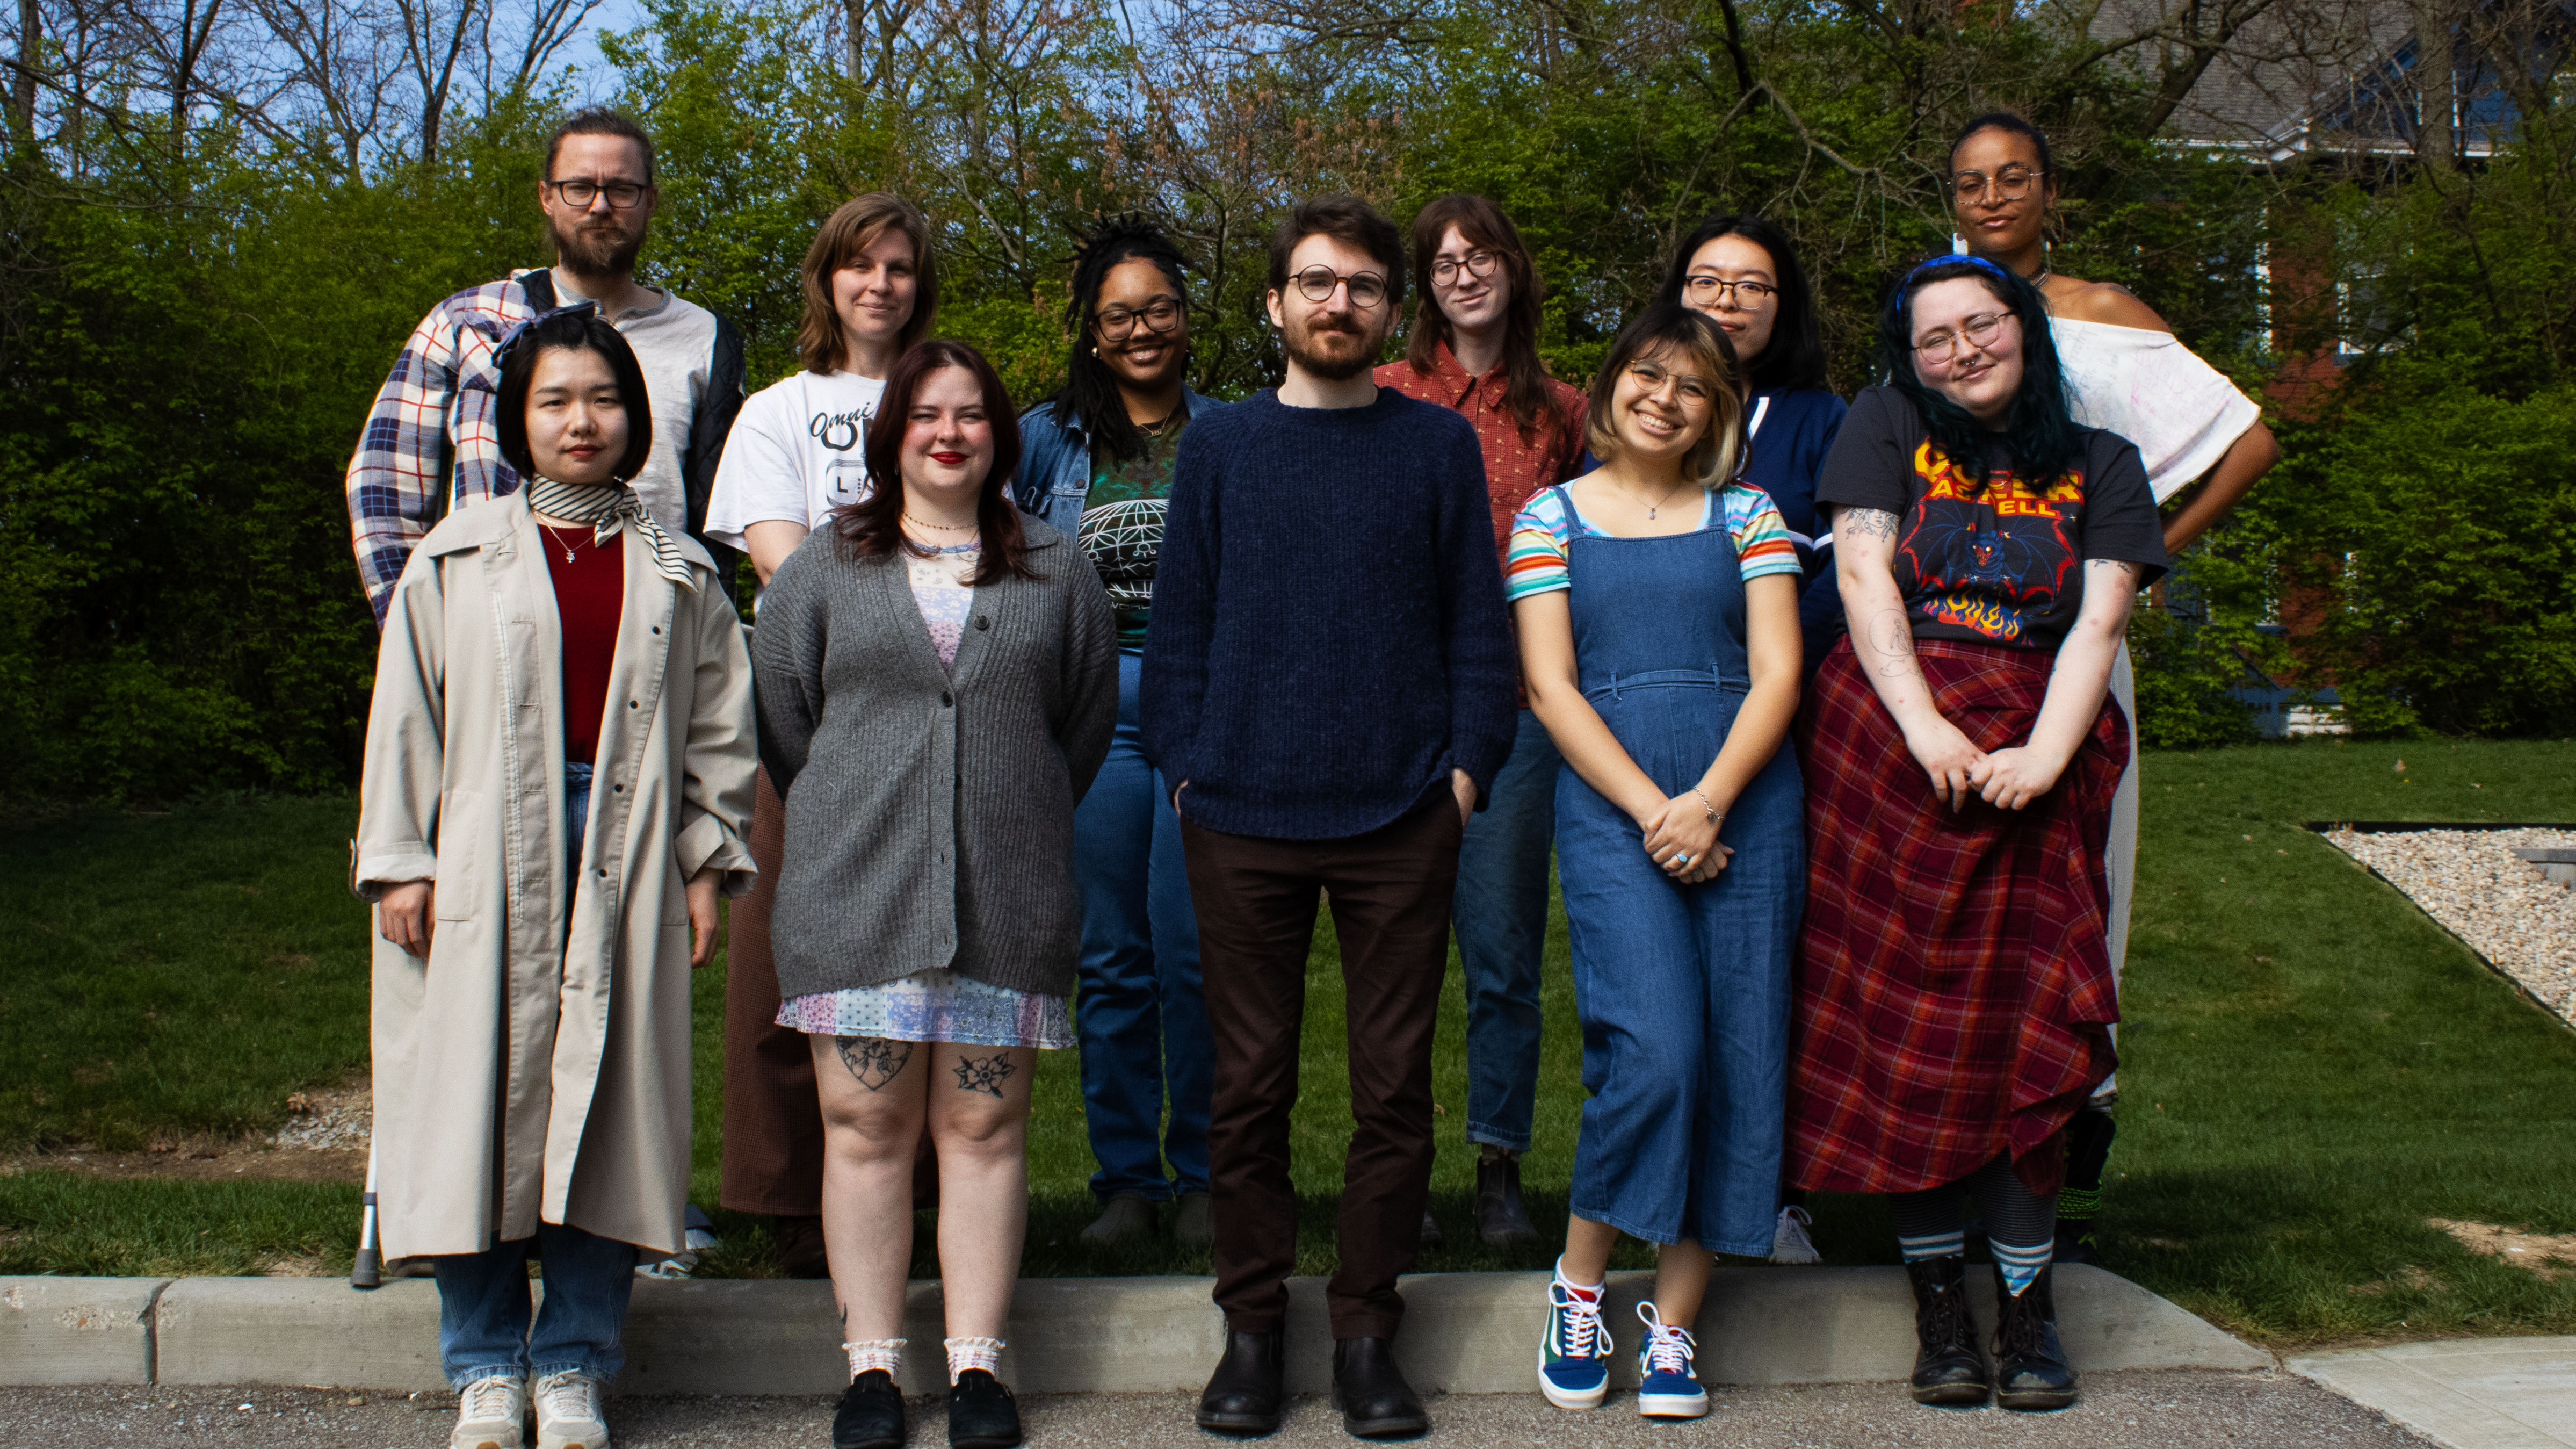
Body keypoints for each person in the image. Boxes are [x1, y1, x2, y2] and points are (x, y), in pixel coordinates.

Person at [1144, 194, 1517, 1441]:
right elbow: (1182, 622)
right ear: (1274, 305)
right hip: (1239, 809)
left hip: (1402, 812)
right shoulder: (1223, 448)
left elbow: (1479, 620)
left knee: (1391, 1088)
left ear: (1386, 308)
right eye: (1314, 282)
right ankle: (1252, 1328)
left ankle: (1365, 1330)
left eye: (1361, 284)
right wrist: (1183, 766)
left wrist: (1467, 769)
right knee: (1246, 1087)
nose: (1338, 302)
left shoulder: (1432, 449)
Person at [355, 307, 757, 1449]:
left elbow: (719, 733)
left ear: (635, 415)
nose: (582, 421)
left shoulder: (679, 570)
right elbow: (407, 716)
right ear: (516, 419)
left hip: (625, 845)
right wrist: (400, 860)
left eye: (603, 399)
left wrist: (702, 859)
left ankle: (575, 1359)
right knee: (471, 1106)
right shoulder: (459, 554)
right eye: (555, 401)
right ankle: (485, 1363)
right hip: (483, 846)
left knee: (608, 1104)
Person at [1791, 254, 2166, 1412]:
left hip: (2039, 755)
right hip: (1890, 763)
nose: (1960, 350)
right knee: (1911, 1039)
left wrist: (2043, 760)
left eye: (1980, 324)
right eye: (1933, 336)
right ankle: (1941, 1312)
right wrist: (1927, 734)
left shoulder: (2104, 462)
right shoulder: (1884, 424)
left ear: (2023, 326)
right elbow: (1863, 577)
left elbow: (2097, 619)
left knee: (2025, 1040)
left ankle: (2028, 1306)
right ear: (1908, 356)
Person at [754, 340, 1118, 1449]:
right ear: (892, 433)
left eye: (970, 415)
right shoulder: (824, 565)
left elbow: (1082, 731)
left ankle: (977, 1365)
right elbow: (786, 725)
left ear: (1000, 436)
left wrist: (1001, 807)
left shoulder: (1057, 568)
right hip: (852, 894)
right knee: (863, 1124)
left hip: (1007, 898)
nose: (948, 432)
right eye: (925, 414)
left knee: (983, 1122)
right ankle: (871, 1364)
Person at [1949, 111, 2281, 1261]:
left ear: (2046, 190)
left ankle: (2070, 1162)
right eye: (1971, 184)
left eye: (2012, 179)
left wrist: (2143, 554)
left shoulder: (2101, 318)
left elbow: (2247, 438)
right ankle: (1957, 1167)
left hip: (2078, 638)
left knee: (2090, 893)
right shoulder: (1937, 317)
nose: (1992, 198)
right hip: (1959, 644)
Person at [1508, 305, 1806, 1419]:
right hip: (1611, 808)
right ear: (1610, 386)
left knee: (1736, 1056)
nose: (1664, 398)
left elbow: (1778, 670)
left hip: (1749, 800)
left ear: (1716, 411)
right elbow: (1548, 688)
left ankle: (1673, 1326)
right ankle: (1579, 1282)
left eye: (1691, 387)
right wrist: (1655, 813)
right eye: (1647, 375)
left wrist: (1713, 798)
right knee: (1656, 1051)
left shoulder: (1749, 513)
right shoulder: (1549, 517)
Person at [704, 192, 942, 1278]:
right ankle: (790, 1194)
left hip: (939, 716)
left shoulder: (945, 399)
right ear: (827, 281)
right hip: (810, 711)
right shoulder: (777, 411)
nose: (879, 284)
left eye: (898, 266)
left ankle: (927, 1192)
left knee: (927, 950)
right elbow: (780, 563)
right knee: (785, 953)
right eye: (860, 266)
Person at [1009, 214, 1230, 1250]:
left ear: (1187, 319)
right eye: (1120, 314)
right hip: (1092, 709)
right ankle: (1126, 1181)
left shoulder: (1234, 431)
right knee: (1111, 955)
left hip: (1203, 709)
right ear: (1093, 333)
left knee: (1197, 953)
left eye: (1159, 308)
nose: (1143, 328)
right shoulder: (1043, 439)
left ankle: (1206, 1177)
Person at [1372, 193, 1588, 1251]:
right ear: (1426, 282)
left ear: (1514, 268)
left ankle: (1498, 1163)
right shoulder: (1386, 394)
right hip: (1396, 714)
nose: (1464, 273)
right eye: (1443, 260)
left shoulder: (1566, 412)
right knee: (1397, 951)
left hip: (1517, 711)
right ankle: (1396, 1168)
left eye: (1482, 254)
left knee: (1500, 951)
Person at [347, 106, 747, 626]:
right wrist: (421, 634)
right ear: (546, 197)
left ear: (650, 202)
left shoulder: (707, 337)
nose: (600, 206)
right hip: (489, 628)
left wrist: (707, 643)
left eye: (622, 189)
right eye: (579, 187)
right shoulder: (470, 321)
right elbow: (384, 485)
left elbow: (719, 522)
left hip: (648, 632)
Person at [1653, 212, 1846, 1266]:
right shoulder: (1649, 407)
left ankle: (1775, 1195)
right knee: (1656, 982)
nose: (1726, 301)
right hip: (1647, 722)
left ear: (1784, 307)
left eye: (1752, 286)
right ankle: (1660, 1190)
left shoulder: (1822, 419)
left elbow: (1837, 583)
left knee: (1767, 968)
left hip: (1787, 719)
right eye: (1707, 280)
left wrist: (1757, 671)